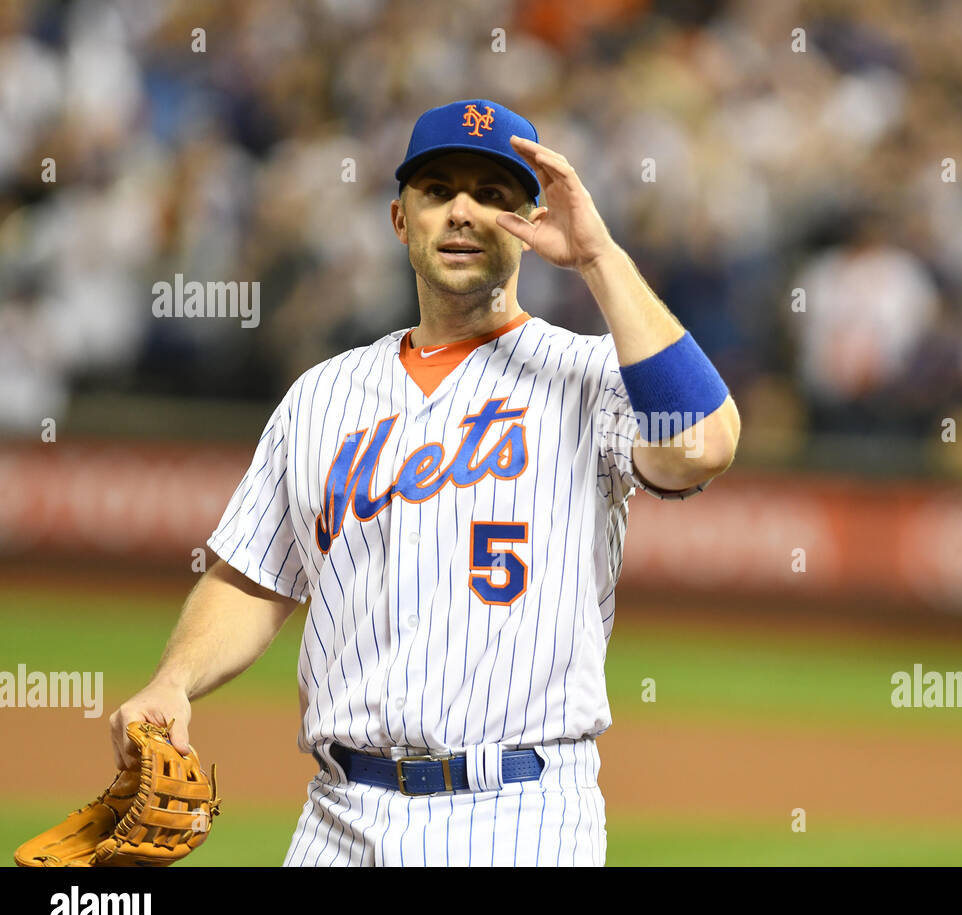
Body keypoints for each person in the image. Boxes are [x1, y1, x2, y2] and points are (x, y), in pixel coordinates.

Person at [108, 99, 741, 866]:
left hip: (520, 811)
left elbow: (703, 444)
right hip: (337, 814)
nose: (464, 212)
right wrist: (173, 680)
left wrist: (600, 257)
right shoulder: (322, 396)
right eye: (439, 191)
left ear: (531, 223)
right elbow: (253, 578)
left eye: (494, 194)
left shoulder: (590, 376)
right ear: (400, 219)